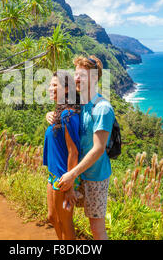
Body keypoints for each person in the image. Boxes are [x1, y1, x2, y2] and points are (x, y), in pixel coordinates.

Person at [46, 56, 115, 240]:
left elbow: (98, 149)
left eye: (82, 75)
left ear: (94, 78)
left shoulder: (102, 108)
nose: (76, 78)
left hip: (94, 176)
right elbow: (64, 112)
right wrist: (51, 113)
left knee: (96, 229)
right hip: (78, 174)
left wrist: (72, 174)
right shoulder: (81, 104)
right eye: (75, 74)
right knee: (62, 216)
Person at [43, 70, 82, 240]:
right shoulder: (61, 113)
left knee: (65, 221)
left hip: (63, 177)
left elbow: (73, 152)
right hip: (54, 174)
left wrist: (70, 184)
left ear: (66, 89)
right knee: (53, 217)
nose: (50, 88)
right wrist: (48, 116)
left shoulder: (68, 114)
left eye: (54, 85)